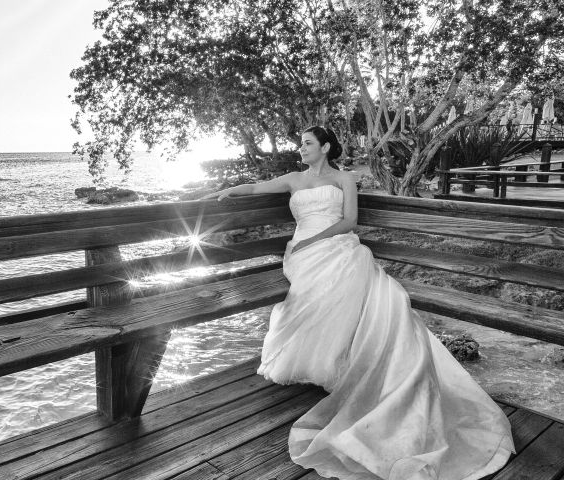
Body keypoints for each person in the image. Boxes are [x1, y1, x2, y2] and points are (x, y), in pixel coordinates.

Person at [202, 126, 514, 479]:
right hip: (303, 254)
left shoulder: (345, 179)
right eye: (300, 144)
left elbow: (350, 221)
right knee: (331, 285)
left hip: (336, 243)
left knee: (385, 293)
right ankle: (335, 362)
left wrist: (315, 239)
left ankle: (369, 367)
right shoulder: (293, 178)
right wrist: (228, 190)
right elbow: (257, 188)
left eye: (307, 144)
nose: (301, 149)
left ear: (326, 147)